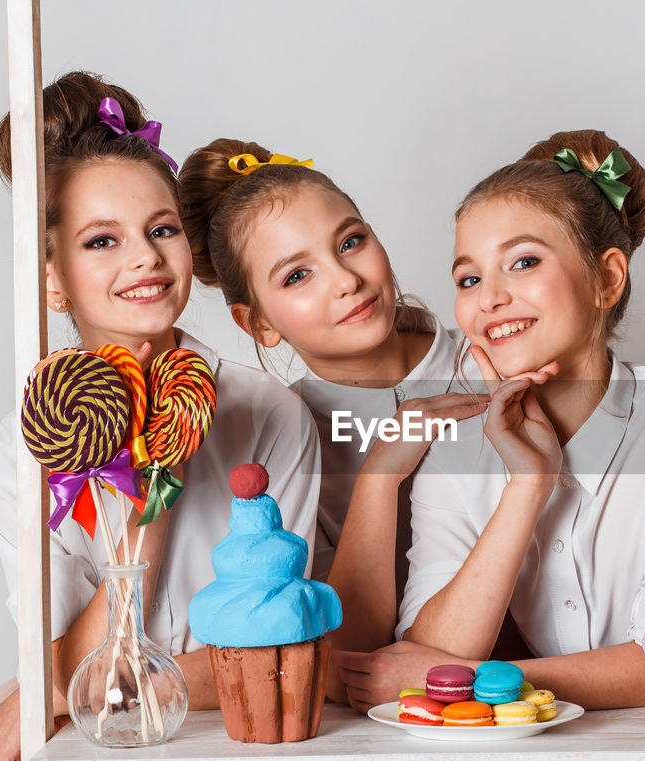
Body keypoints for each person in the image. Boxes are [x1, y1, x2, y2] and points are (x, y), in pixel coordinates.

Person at [0, 72, 319, 761]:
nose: (146, 259)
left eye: (161, 229)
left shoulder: (270, 414)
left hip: (238, 744)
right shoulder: (12, 456)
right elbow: (73, 663)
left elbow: (278, 650)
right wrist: (150, 496)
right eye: (102, 240)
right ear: (52, 280)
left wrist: (55, 692)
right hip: (88, 741)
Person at [336, 129, 645, 712]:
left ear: (608, 278)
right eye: (469, 279)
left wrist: (481, 682)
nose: (489, 297)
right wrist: (526, 490)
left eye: (522, 262)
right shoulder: (452, 447)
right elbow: (432, 646)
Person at [178, 141, 497, 662]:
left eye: (350, 242)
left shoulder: (496, 359)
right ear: (257, 323)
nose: (347, 281)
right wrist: (378, 474)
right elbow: (345, 644)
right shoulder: (280, 442)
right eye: (297, 275)